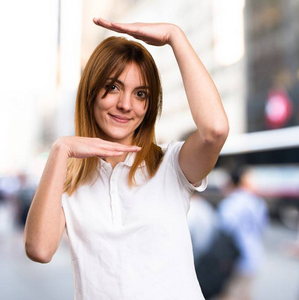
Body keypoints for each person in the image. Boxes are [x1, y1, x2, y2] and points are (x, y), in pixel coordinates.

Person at [24, 18, 229, 300]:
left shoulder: (171, 165)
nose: (125, 105)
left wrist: (175, 36)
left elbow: (215, 131)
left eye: (140, 94)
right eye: (113, 87)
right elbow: (39, 250)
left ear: (149, 105)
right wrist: (60, 150)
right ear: (91, 92)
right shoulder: (69, 181)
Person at [217, 167, 268, 300]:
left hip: (236, 259)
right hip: (254, 255)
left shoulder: (230, 203)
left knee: (230, 294)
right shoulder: (258, 202)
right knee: (245, 294)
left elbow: (224, 232)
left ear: (231, 182)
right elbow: (262, 229)